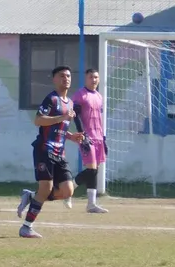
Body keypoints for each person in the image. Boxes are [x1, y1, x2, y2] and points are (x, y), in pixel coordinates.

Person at [15, 66, 86, 239]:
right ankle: (26, 227)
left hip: (59, 152)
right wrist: (62, 117)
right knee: (46, 188)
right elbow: (38, 120)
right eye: (61, 76)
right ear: (54, 79)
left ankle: (31, 196)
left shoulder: (69, 103)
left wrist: (72, 137)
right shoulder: (51, 99)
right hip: (44, 149)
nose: (66, 79)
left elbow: (59, 129)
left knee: (68, 190)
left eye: (68, 76)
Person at [71, 68, 108, 213]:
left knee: (94, 170)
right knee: (91, 169)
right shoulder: (80, 95)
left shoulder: (99, 96)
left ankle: (91, 204)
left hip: (98, 137)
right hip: (87, 136)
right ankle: (69, 188)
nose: (94, 80)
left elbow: (100, 119)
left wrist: (104, 138)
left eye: (96, 77)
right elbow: (76, 115)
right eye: (91, 77)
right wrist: (82, 134)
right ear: (86, 79)